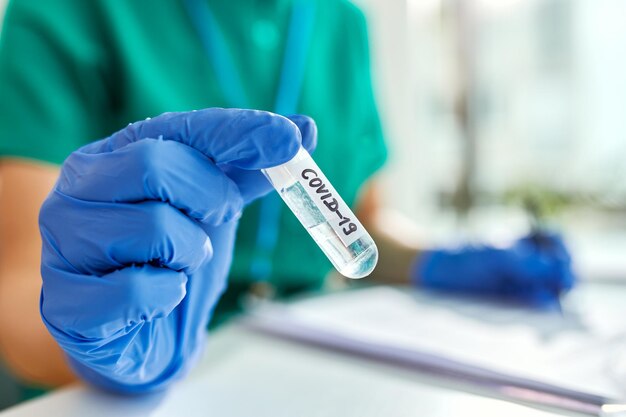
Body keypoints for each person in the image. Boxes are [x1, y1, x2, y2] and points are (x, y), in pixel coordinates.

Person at [0, 0, 574, 401]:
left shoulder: (342, 22)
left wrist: (434, 261)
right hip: (111, 397)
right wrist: (99, 346)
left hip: (315, 371)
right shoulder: (66, 11)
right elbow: (18, 289)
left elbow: (360, 226)